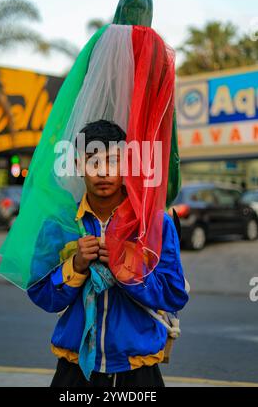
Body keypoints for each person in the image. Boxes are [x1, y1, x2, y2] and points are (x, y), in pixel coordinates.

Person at [28, 120, 189, 388]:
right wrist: (76, 265)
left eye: (113, 161)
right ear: (78, 165)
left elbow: (174, 294)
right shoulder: (60, 225)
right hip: (74, 371)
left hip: (139, 373)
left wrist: (125, 265)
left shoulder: (155, 224)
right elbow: (41, 294)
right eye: (93, 162)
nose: (103, 172)